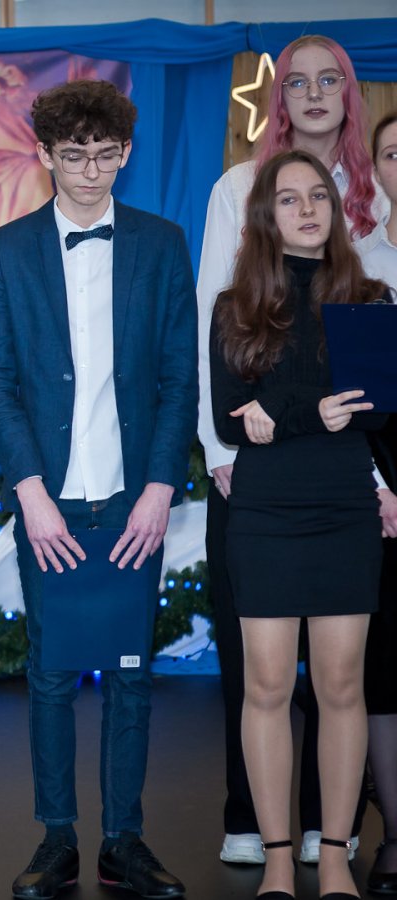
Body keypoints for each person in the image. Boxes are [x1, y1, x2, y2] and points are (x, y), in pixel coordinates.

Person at [0, 79, 196, 900]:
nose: (91, 171)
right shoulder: (8, 249)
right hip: (51, 499)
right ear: (44, 155)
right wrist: (30, 492)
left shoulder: (161, 244)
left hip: (136, 495)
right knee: (50, 671)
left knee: (133, 673)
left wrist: (162, 485)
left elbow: (179, 378)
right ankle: (57, 839)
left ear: (126, 153)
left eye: (106, 155)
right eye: (75, 156)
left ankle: (124, 841)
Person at [194, 35, 389, 868]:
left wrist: (295, 416)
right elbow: (232, 385)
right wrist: (231, 441)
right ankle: (266, 832)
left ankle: (333, 840)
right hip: (260, 487)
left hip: (350, 489)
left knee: (346, 683)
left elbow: (374, 393)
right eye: (298, 81)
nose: (313, 93)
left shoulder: (374, 241)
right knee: (261, 676)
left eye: (329, 79)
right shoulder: (236, 198)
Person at [352, 111, 397, 896]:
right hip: (387, 493)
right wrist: (381, 486)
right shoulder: (359, 265)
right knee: (386, 670)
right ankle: (395, 833)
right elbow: (357, 405)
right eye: (393, 153)